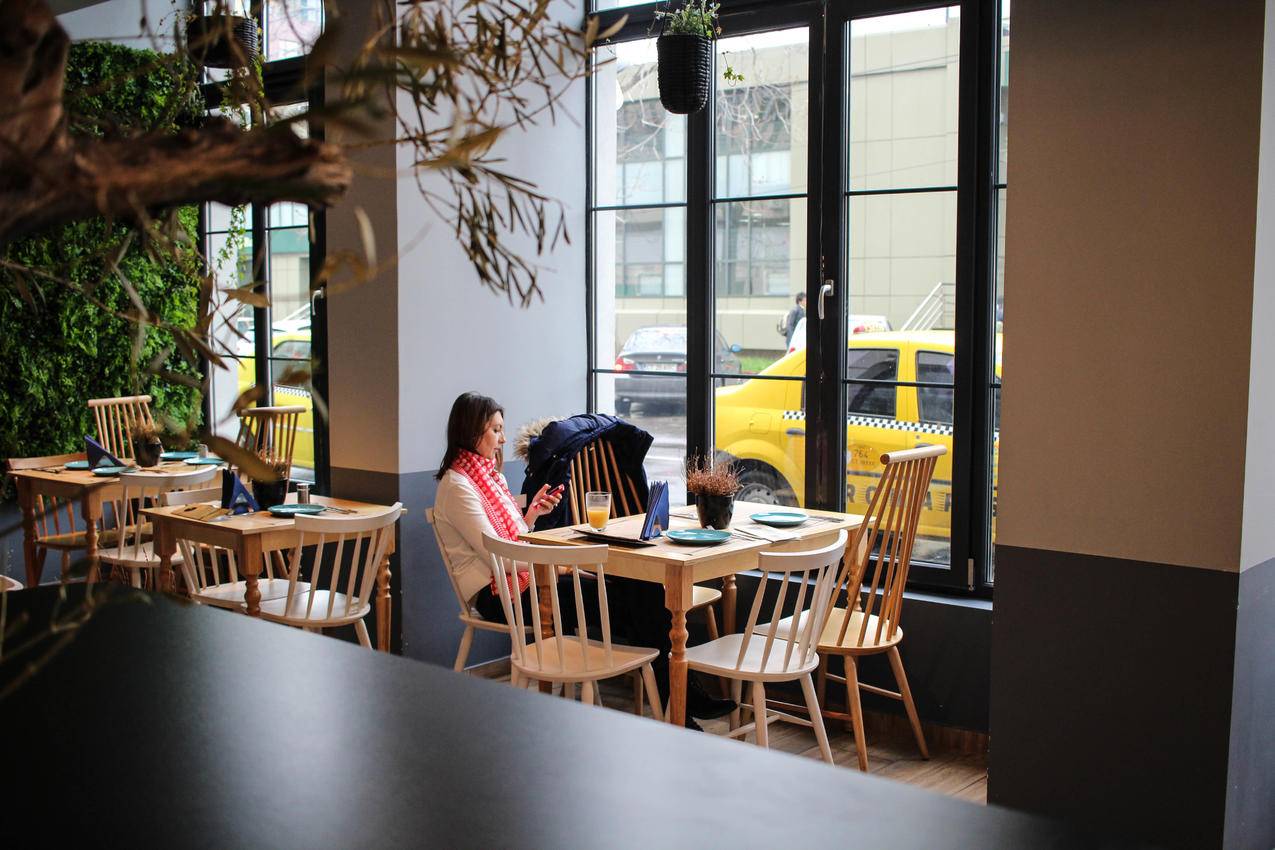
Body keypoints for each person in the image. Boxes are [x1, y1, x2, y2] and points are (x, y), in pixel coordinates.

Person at [431, 392, 733, 727]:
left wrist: (531, 516)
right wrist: (556, 562)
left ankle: (681, 700)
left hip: (525, 579)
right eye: (495, 430)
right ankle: (679, 703)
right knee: (637, 601)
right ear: (473, 432)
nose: (502, 438)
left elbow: (512, 539)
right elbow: (497, 556)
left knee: (641, 592)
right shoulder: (458, 486)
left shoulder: (489, 476)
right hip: (498, 595)